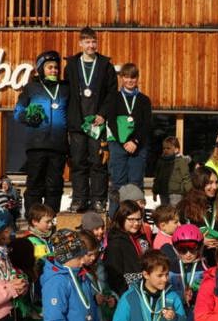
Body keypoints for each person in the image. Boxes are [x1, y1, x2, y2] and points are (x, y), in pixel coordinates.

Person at [65, 26, 119, 214]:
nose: (91, 45)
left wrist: (103, 114)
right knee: (78, 162)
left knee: (98, 163)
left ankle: (98, 200)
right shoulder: (71, 65)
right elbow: (67, 93)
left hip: (97, 123)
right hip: (78, 123)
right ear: (80, 43)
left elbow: (112, 93)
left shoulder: (105, 65)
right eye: (87, 42)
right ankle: (79, 199)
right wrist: (71, 118)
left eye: (93, 41)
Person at [13, 50, 69, 213]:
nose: (53, 70)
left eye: (56, 68)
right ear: (40, 69)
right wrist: (28, 117)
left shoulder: (65, 88)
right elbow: (17, 112)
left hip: (58, 146)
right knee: (35, 184)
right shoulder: (31, 88)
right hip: (36, 145)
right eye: (49, 67)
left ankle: (51, 219)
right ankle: (33, 219)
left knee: (54, 186)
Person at [107, 63, 153, 213]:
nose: (130, 80)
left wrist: (135, 141)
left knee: (135, 183)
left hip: (138, 147)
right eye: (126, 77)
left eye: (133, 77)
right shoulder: (114, 97)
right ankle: (115, 220)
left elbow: (146, 124)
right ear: (121, 78)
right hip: (118, 145)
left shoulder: (144, 100)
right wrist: (123, 141)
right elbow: (111, 121)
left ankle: (135, 218)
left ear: (137, 78)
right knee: (118, 183)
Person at [178, 167, 218, 266]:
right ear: (199, 183)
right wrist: (199, 241)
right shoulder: (185, 206)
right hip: (196, 261)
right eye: (210, 183)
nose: (215, 186)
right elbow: (180, 234)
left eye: (216, 182)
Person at [105, 200, 151, 295]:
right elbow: (114, 275)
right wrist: (126, 294)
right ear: (122, 219)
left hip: (146, 290)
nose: (136, 223)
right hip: (128, 293)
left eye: (138, 219)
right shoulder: (115, 243)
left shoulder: (142, 238)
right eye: (131, 219)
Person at [153, 136, 191, 207]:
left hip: (176, 192)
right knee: (165, 212)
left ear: (176, 149)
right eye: (164, 148)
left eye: (168, 148)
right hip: (163, 192)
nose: (165, 150)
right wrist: (155, 191)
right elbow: (157, 177)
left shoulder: (180, 161)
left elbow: (186, 177)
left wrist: (190, 192)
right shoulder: (161, 162)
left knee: (174, 211)